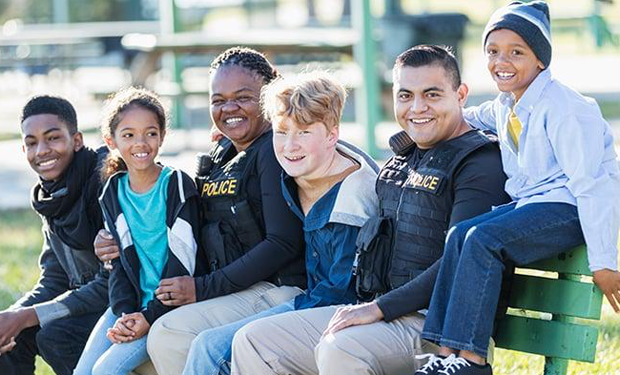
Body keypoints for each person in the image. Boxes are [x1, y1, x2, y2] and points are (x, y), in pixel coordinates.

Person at [230, 45, 511, 375]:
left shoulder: (478, 163)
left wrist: (379, 308)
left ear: (460, 94)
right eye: (405, 96)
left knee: (341, 349)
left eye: (431, 94)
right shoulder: (402, 158)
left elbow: (460, 261)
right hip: (382, 313)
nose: (417, 107)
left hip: (437, 328)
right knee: (253, 341)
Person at [414, 2, 620, 375]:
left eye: (516, 52)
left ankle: (472, 361)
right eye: (493, 52)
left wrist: (605, 262)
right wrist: (424, 119)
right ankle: (446, 354)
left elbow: (593, 186)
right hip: (536, 205)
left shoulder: (566, 109)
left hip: (570, 207)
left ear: (541, 60)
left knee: (482, 238)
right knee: (461, 233)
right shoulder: (508, 104)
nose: (501, 61)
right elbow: (468, 118)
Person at [93, 47, 307, 375]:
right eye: (218, 100)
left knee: (167, 333)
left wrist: (202, 288)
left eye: (243, 97)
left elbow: (283, 243)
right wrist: (113, 240)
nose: (229, 108)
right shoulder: (224, 153)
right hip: (232, 287)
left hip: (275, 289)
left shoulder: (272, 150)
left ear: (269, 96)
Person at [181, 70, 379, 375]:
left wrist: (276, 321)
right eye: (282, 131)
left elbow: (340, 293)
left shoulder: (351, 199)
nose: (289, 145)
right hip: (306, 297)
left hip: (337, 312)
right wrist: (229, 142)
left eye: (303, 132)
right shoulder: (304, 165)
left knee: (230, 345)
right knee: (207, 344)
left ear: (331, 134)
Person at [72, 87, 201, 375]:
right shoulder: (112, 192)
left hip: (168, 309)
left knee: (104, 371)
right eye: (128, 135)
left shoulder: (177, 185)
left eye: (151, 133)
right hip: (130, 305)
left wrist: (147, 315)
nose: (141, 143)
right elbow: (118, 264)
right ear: (111, 141)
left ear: (163, 136)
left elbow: (184, 263)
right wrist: (124, 314)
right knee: (83, 372)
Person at [0, 96, 108, 375]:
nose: (42, 150)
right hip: (85, 304)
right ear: (23, 148)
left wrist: (27, 316)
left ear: (77, 140)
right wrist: (11, 317)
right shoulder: (51, 197)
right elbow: (55, 279)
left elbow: (112, 283)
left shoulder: (105, 183)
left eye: (52, 138)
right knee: (12, 337)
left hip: (121, 305)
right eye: (32, 142)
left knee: (55, 335)